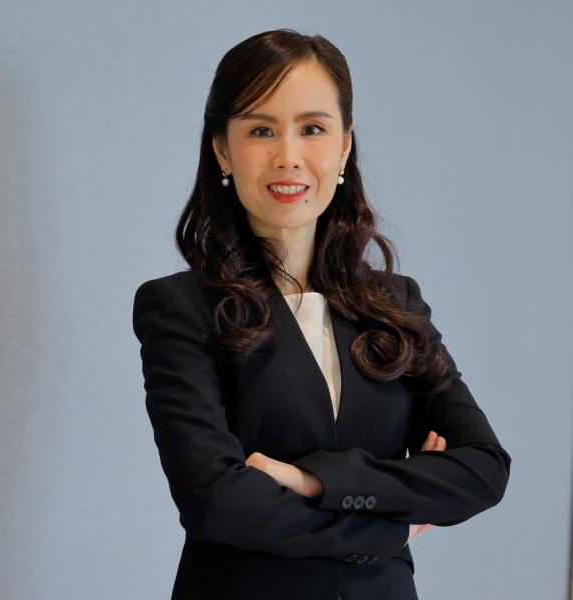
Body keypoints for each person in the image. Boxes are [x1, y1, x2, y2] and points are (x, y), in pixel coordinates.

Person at [131, 29, 511, 600]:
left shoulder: (396, 305)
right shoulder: (181, 308)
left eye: (312, 128)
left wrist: (313, 480)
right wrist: (394, 521)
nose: (289, 156)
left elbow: (482, 469)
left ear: (345, 146)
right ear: (223, 150)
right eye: (261, 130)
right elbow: (217, 502)